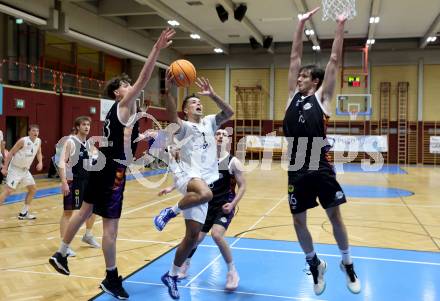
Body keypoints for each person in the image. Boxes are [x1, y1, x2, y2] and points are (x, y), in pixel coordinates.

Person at [48, 28, 175, 300]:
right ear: (119, 92)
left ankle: (60, 253)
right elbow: (143, 78)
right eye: (125, 85)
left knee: (84, 212)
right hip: (112, 170)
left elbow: (121, 137)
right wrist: (156, 49)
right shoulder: (125, 103)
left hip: (101, 164)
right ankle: (111, 278)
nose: (131, 87)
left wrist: (141, 136)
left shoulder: (117, 113)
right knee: (111, 228)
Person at [283, 7, 360, 295]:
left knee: (334, 217)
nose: (298, 78)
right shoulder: (293, 97)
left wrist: (339, 26)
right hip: (296, 165)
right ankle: (314, 264)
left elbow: (335, 60)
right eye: (299, 76)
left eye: (304, 76)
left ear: (314, 81)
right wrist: (300, 25)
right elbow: (293, 58)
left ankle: (347, 263)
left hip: (320, 163)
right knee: (297, 220)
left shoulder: (323, 98)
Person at [154, 76, 234, 299]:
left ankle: (171, 275)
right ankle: (170, 211)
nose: (198, 104)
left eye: (199, 102)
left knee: (192, 237)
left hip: (203, 183)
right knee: (207, 194)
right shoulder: (184, 126)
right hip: (187, 177)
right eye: (193, 102)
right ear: (186, 110)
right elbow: (170, 114)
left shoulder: (209, 121)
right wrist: (168, 89)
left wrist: (213, 94)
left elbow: (229, 113)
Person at [160, 128, 246, 291]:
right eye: (218, 134)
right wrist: (171, 187)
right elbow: (190, 177)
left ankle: (232, 271)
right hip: (206, 204)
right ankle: (185, 264)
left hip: (224, 205)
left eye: (224, 135)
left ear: (228, 140)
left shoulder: (233, 161)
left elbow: (243, 186)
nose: (220, 136)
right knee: (195, 238)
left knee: (217, 235)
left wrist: (233, 204)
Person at [58, 116, 100, 257]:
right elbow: (62, 162)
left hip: (88, 181)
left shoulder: (89, 144)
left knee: (92, 209)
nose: (86, 127)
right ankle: (64, 246)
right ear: (77, 127)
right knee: (68, 213)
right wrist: (64, 182)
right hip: (73, 181)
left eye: (88, 124)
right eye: (83, 124)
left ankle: (88, 235)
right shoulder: (70, 142)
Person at [0, 125, 43, 219]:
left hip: (25, 170)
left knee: (32, 189)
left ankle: (24, 213)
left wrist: (40, 162)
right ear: (29, 132)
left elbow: (39, 152)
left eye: (37, 131)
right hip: (15, 169)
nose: (36, 132)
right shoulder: (23, 141)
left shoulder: (38, 141)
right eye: (33, 130)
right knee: (8, 190)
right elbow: (11, 153)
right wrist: (5, 168)